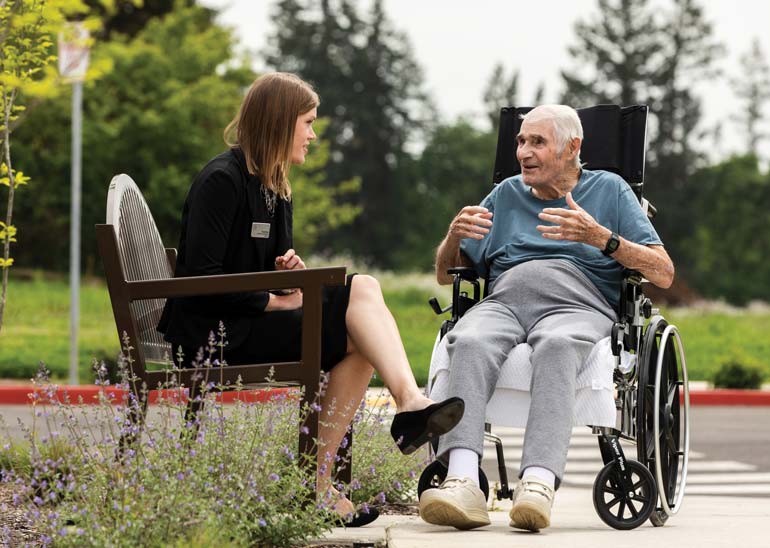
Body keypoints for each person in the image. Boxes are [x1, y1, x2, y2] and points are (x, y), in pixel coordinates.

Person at [157, 72, 464, 526]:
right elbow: (203, 278)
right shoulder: (221, 181)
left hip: (242, 320)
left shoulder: (275, 187)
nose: (313, 135)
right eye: (307, 122)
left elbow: (267, 269)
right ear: (280, 123)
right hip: (213, 333)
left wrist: (288, 279)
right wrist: (270, 301)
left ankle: (319, 480)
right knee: (362, 303)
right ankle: (397, 413)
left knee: (362, 324)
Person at [418, 104, 674, 532]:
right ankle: (462, 479)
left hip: (577, 301)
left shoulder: (609, 190)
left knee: (556, 346)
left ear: (573, 148)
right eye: (520, 141)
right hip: (504, 298)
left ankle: (537, 483)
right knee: (468, 339)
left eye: (537, 141)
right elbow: (447, 273)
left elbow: (663, 272)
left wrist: (601, 238)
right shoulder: (504, 195)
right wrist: (452, 237)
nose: (523, 152)